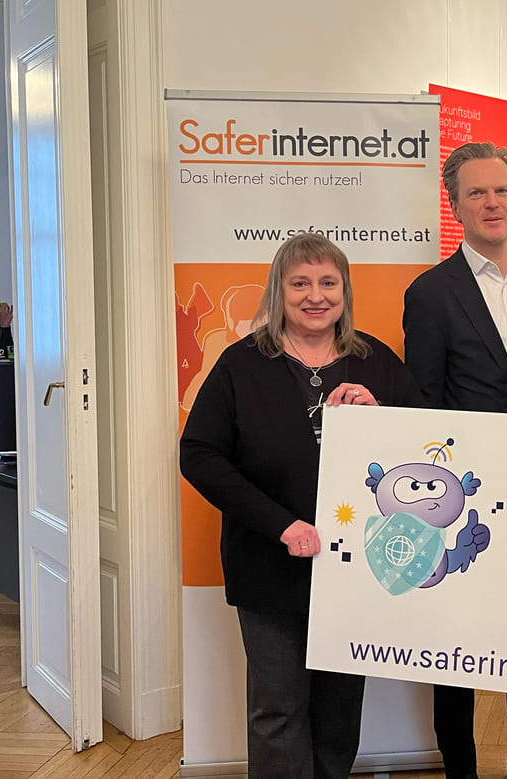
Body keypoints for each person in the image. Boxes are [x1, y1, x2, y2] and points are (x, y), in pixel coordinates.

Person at [180, 233, 426, 779]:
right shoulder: (241, 364)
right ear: (278, 291)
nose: (316, 296)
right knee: (277, 711)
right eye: (300, 284)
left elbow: (425, 452)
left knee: (339, 710)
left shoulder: (376, 363)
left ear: (345, 291)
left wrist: (381, 416)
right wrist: (281, 525)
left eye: (328, 282)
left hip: (355, 569)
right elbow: (198, 454)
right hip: (269, 565)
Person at [402, 142, 507, 779]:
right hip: (464, 492)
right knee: (456, 637)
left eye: (501, 190)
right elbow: (423, 401)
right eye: (476, 192)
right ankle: (461, 768)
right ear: (455, 205)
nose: (491, 202)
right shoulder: (430, 292)